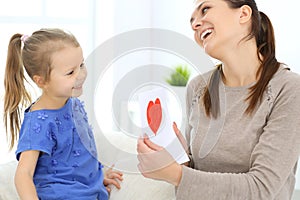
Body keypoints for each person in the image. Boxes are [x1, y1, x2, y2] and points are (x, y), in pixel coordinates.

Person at [137, 0, 300, 199]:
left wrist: (176, 174)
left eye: (205, 9)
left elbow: (262, 189)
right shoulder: (198, 88)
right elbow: (196, 179)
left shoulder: (288, 88)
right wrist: (182, 161)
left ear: (243, 14)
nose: (196, 25)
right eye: (192, 22)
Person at [3, 28, 123, 200]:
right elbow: (23, 175)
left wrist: (97, 176)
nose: (81, 75)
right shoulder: (39, 122)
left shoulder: (72, 103)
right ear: (41, 81)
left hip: (90, 191)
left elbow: (77, 152)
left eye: (81, 65)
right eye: (70, 72)